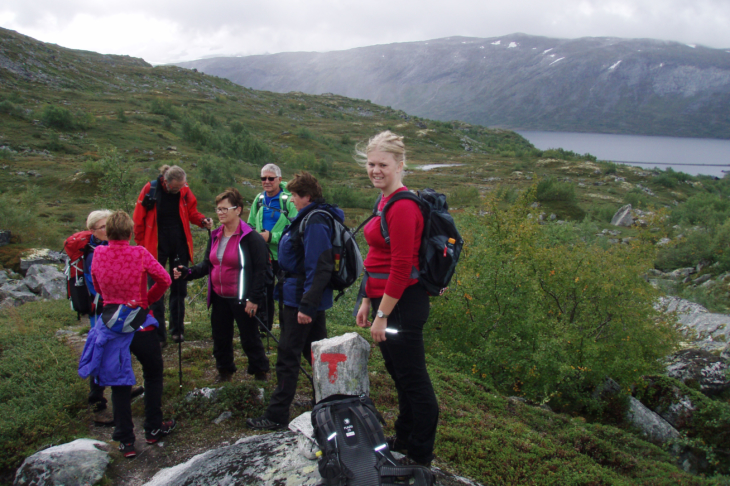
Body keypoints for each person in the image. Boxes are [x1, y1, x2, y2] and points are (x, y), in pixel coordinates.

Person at [354, 131, 439, 467]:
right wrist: (365, 299)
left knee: (414, 380)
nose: (375, 170)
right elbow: (377, 256)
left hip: (402, 304)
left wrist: (382, 315)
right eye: (371, 164)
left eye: (383, 165)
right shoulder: (384, 200)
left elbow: (402, 268)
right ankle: (404, 439)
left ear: (400, 165)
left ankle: (420, 456)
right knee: (400, 374)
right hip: (385, 301)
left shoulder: (403, 206)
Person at [247, 172, 341, 430]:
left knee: (288, 356)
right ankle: (328, 404)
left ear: (307, 196)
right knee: (316, 356)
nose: (292, 200)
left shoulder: (315, 222)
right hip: (299, 296)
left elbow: (319, 265)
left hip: (301, 300)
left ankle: (276, 416)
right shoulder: (309, 217)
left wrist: (307, 305)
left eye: (296, 196)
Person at [81, 210, 175, 459]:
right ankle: (154, 427)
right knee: (153, 373)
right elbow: (164, 279)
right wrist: (147, 300)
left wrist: (113, 302)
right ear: (130, 232)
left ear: (107, 232)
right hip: (140, 322)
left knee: (118, 381)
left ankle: (125, 440)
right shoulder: (139, 252)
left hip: (111, 324)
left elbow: (98, 287)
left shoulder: (98, 253)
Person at [173, 188, 271, 383]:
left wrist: (254, 299)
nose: (220, 213)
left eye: (225, 209)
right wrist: (188, 272)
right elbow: (208, 264)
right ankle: (225, 371)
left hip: (242, 298)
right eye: (218, 209)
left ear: (238, 210)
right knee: (220, 337)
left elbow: (262, 271)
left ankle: (260, 372)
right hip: (219, 297)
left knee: (250, 338)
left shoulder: (251, 238)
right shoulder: (216, 235)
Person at [132, 164, 213, 345]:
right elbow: (138, 220)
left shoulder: (184, 190)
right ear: (166, 182)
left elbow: (192, 212)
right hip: (155, 246)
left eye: (181, 186)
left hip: (179, 244)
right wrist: (140, 246)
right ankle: (159, 334)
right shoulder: (150, 189)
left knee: (179, 287)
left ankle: (177, 331)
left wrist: (202, 221)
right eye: (175, 187)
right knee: (157, 289)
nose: (178, 190)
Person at [84, 210, 145, 415]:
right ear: (93, 230)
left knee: (116, 348)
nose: (107, 229)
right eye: (102, 226)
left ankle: (121, 388)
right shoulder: (94, 252)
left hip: (113, 308)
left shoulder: (104, 249)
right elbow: (94, 284)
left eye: (107, 225)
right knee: (99, 350)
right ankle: (97, 398)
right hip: (103, 309)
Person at [247, 163, 298, 331]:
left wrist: (271, 237)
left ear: (279, 179)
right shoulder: (259, 199)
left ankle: (286, 328)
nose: (266, 182)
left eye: (271, 178)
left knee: (285, 293)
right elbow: (250, 224)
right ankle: (264, 328)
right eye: (263, 178)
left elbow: (295, 229)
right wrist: (255, 239)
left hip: (283, 256)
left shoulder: (289, 199)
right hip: (263, 255)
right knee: (263, 291)